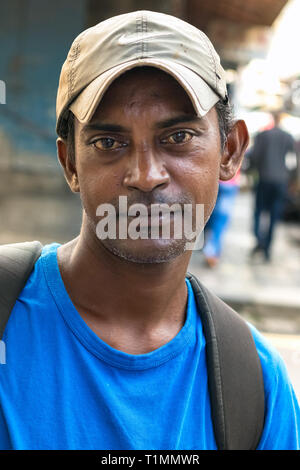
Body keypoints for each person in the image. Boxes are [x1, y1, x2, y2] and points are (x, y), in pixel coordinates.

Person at [0, 11, 299, 450]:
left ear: (230, 151)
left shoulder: (257, 387)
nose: (146, 174)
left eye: (177, 137)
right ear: (70, 164)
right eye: (109, 142)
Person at [248, 112, 296, 261]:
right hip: (280, 181)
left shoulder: (263, 136)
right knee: (274, 215)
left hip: (264, 179)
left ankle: (259, 241)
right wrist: (291, 179)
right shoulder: (288, 138)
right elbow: (292, 161)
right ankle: (267, 248)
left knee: (258, 212)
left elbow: (254, 156)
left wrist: (252, 171)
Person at [202, 170, 240, 268]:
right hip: (230, 182)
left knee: (209, 214)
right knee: (220, 220)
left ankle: (209, 246)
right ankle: (212, 250)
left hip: (212, 180)